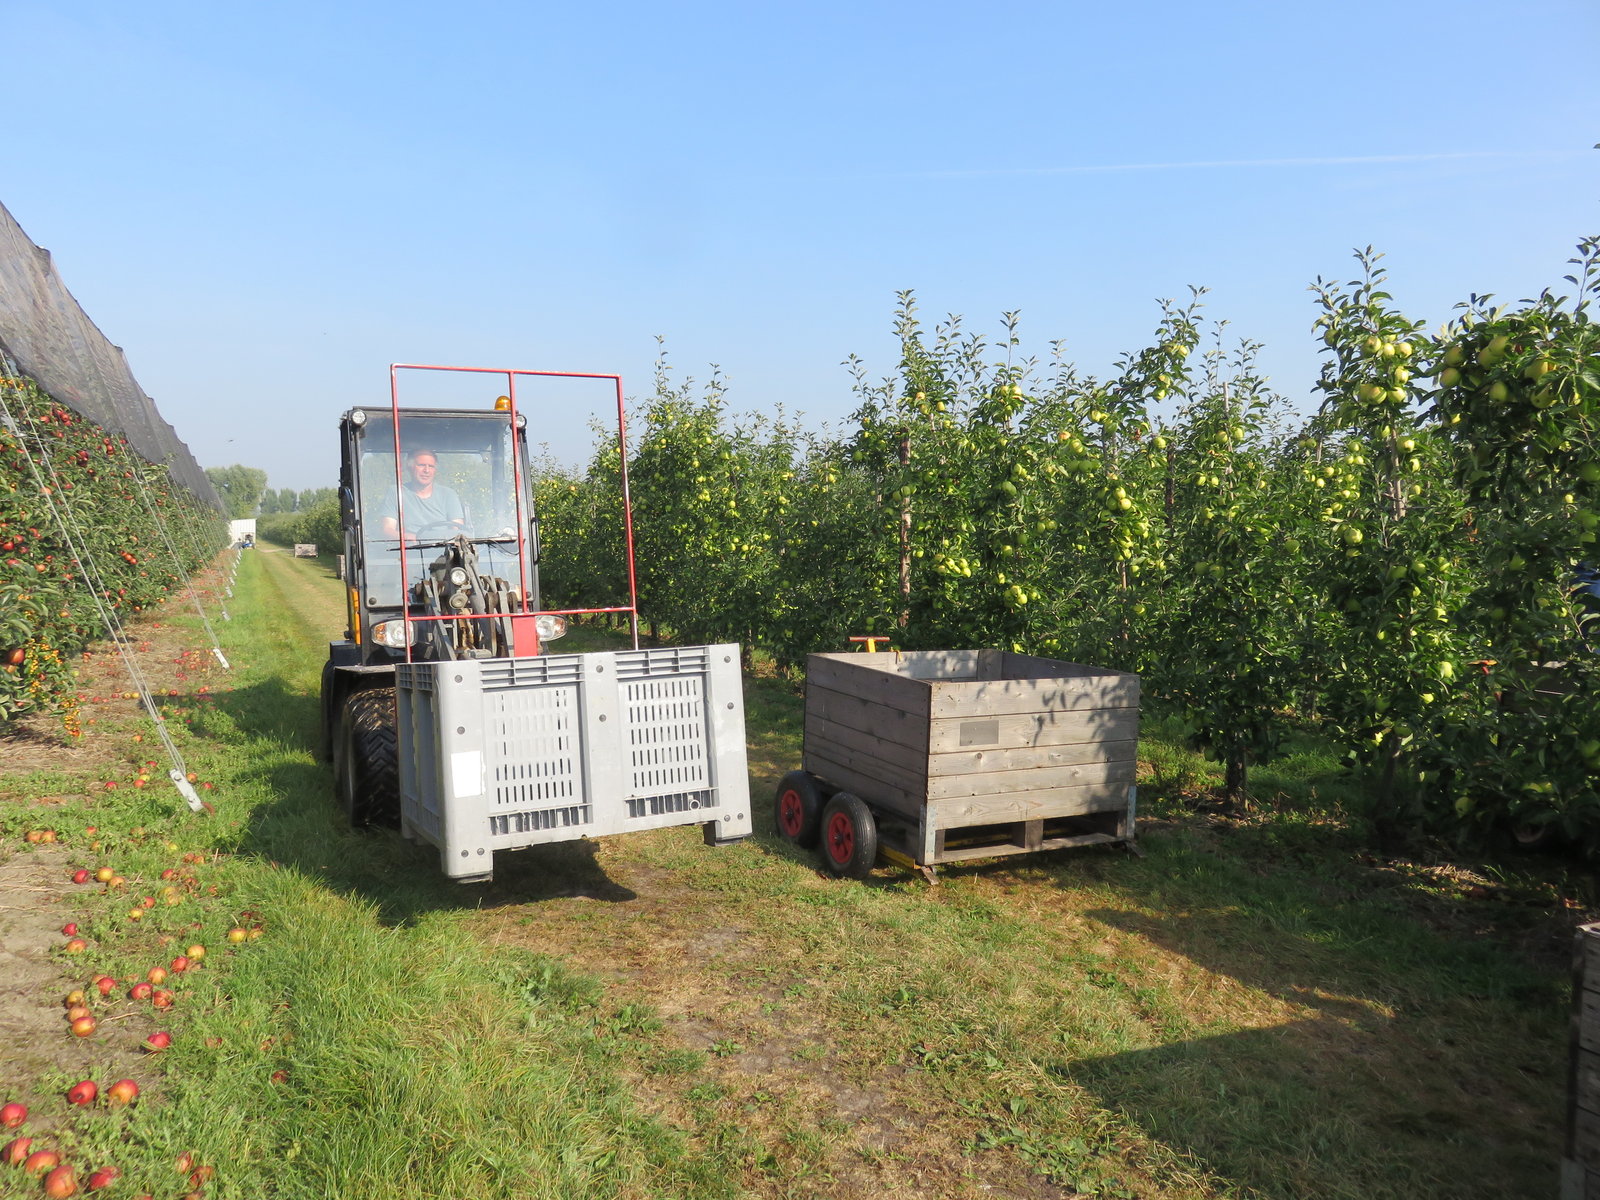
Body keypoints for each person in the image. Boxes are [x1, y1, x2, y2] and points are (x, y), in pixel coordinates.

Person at [380, 450, 465, 541]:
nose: (426, 470)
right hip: (410, 551)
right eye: (421, 465)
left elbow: (458, 530)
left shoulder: (449, 494)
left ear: (435, 470)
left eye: (431, 466)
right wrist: (408, 537)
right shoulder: (396, 492)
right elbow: (387, 530)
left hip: (444, 550)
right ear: (410, 468)